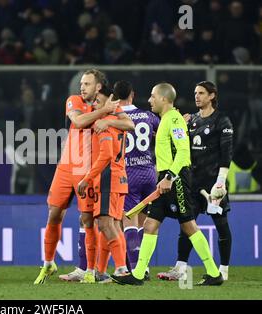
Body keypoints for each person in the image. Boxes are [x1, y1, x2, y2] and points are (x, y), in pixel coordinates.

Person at [111, 82, 224, 286]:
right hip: (166, 178)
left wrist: (169, 177)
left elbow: (183, 152)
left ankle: (214, 273)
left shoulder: (173, 120)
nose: (149, 100)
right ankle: (137, 274)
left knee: (189, 226)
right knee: (150, 225)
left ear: (163, 98)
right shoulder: (167, 119)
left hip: (176, 178)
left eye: (153, 96)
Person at [34, 69, 134, 284]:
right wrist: (103, 113)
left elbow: (129, 124)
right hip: (66, 168)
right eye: (82, 83)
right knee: (54, 214)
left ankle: (89, 271)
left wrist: (109, 119)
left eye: (87, 83)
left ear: (98, 87)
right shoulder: (75, 101)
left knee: (88, 220)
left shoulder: (107, 106)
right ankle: (48, 263)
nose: (82, 87)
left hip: (87, 171)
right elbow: (77, 122)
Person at [157, 81, 233, 281]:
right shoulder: (191, 121)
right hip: (193, 182)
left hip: (214, 183)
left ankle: (223, 270)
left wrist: (221, 182)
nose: (197, 96)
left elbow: (226, 153)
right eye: (195, 93)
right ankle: (180, 267)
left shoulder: (222, 120)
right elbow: (180, 146)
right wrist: (180, 123)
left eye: (201, 93)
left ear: (212, 96)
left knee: (221, 224)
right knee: (187, 224)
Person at [93, 80, 160, 280]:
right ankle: (144, 267)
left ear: (114, 95)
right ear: (132, 94)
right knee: (144, 223)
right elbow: (161, 129)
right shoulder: (147, 116)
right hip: (149, 171)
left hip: (128, 173)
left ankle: (134, 270)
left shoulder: (115, 116)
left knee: (128, 223)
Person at [77, 85, 130, 283]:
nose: (95, 105)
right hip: (120, 176)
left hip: (108, 177)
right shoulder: (118, 121)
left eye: (99, 101)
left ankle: (121, 269)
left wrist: (87, 178)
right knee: (114, 225)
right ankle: (101, 271)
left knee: (106, 224)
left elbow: (106, 155)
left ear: (110, 102)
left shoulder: (103, 123)